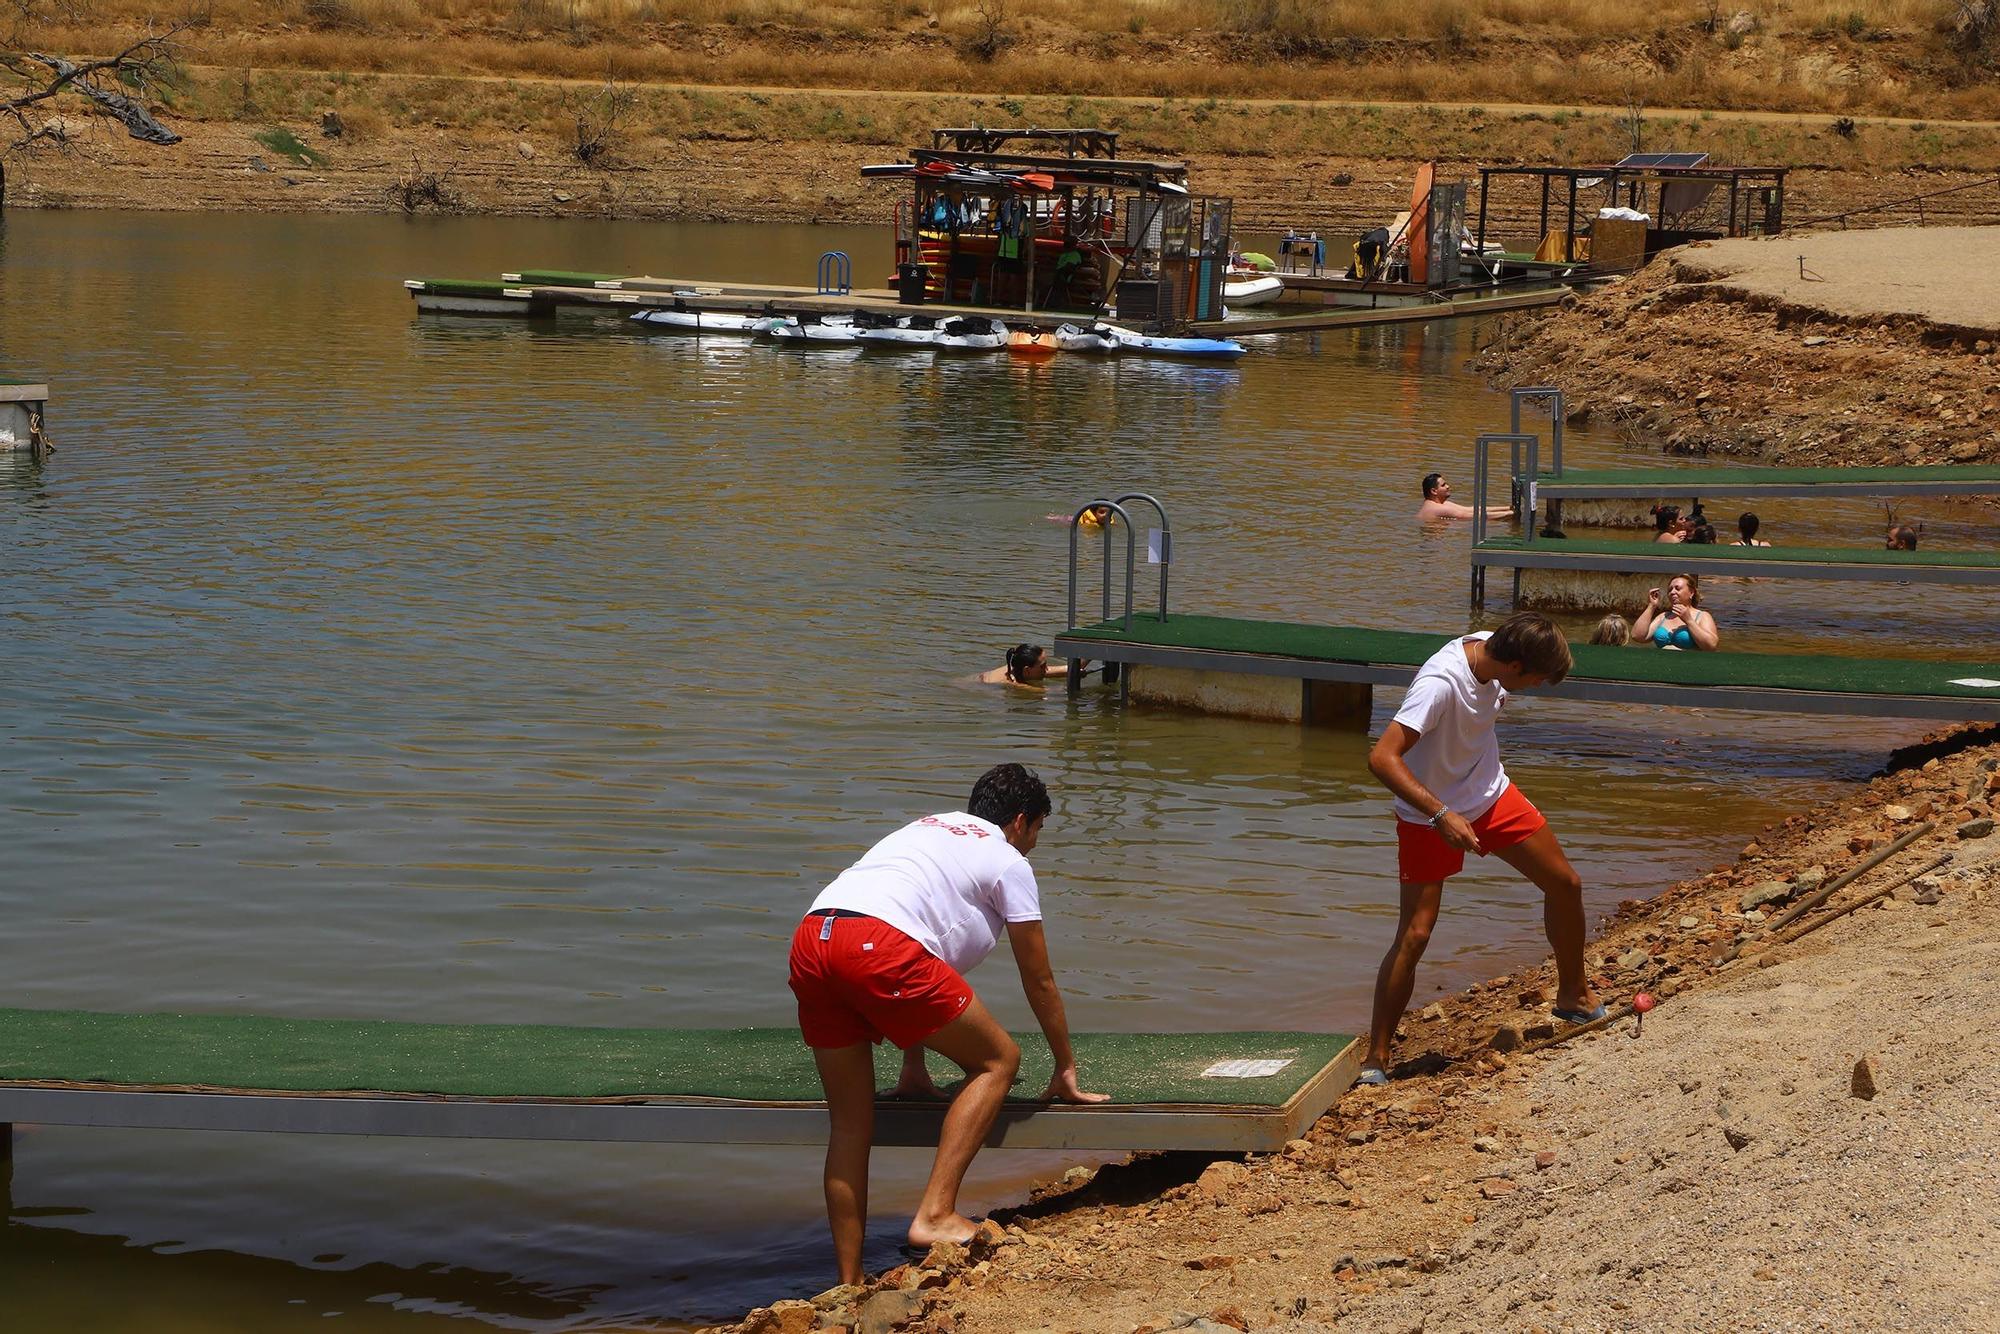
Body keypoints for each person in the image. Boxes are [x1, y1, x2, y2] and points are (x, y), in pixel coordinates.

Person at [789, 764, 1108, 1284]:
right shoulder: (1007, 861)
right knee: (998, 1060)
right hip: (878, 946)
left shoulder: (927, 828)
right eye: (1038, 833)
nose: (1033, 846)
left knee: (850, 1125)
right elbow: (1039, 978)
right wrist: (1065, 1066)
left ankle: (847, 1284)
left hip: (815, 936)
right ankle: (935, 1214)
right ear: (1021, 821)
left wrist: (913, 1063)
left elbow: (924, 936)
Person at [1360, 613, 1604, 1084]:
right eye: (1533, 678)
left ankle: (1573, 995)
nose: (1534, 686)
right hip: (1428, 813)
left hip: (1490, 794)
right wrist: (1440, 814)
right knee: (1416, 934)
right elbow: (1381, 757)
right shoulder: (1439, 683)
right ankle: (1377, 1058)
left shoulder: (1495, 648)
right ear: (1512, 663)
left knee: (1565, 884)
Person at [1632, 573, 1719, 651]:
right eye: (1670, 589)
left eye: (1677, 588)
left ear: (1691, 592)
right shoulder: (1663, 616)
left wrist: (1689, 621)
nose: (1672, 592)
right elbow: (1638, 636)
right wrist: (1651, 606)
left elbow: (1711, 646)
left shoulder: (1703, 616)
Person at [1418, 472, 1512, 522]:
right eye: (1443, 485)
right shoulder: (1437, 509)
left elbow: (1471, 510)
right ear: (1434, 491)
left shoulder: (1443, 504)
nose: (1448, 486)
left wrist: (1508, 508)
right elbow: (1471, 517)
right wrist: (1510, 514)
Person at [979, 643, 1085, 687]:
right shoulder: (1013, 684)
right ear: (1027, 670)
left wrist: (1093, 652)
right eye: (1043, 666)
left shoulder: (1019, 668)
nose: (1047, 669)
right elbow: (1054, 694)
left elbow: (1071, 668)